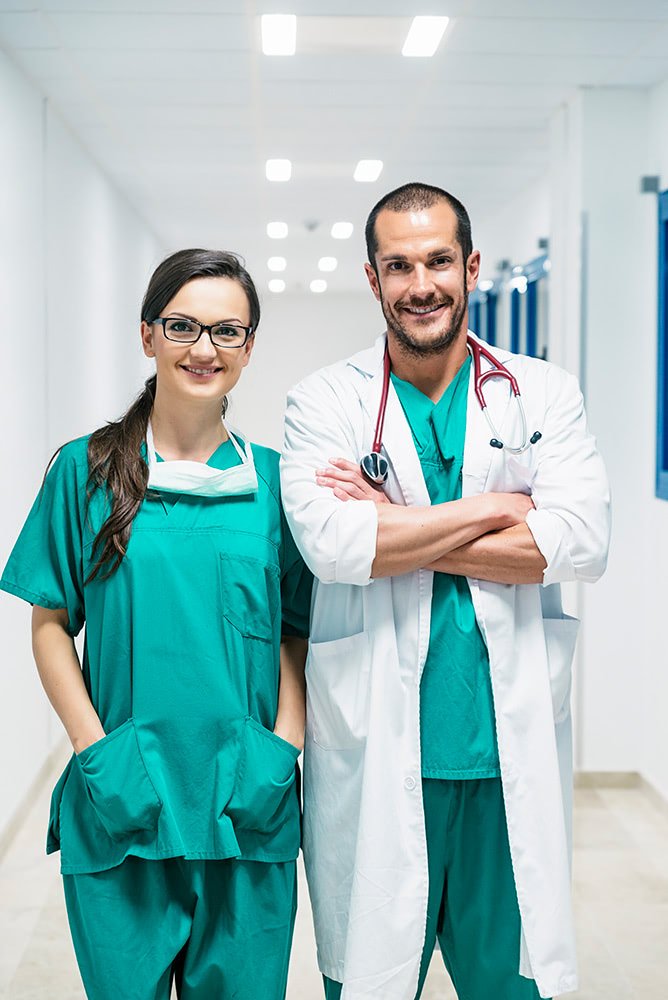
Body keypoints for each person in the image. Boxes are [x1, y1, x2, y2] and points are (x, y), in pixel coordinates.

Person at [280, 183, 611, 1000]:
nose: (419, 283)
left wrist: (400, 527)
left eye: (436, 261)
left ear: (469, 269)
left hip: (506, 759)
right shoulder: (324, 400)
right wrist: (501, 509)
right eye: (398, 265)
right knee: (372, 981)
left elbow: (577, 542)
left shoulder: (543, 392)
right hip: (379, 747)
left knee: (512, 985)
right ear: (372, 279)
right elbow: (334, 546)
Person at [0, 248, 312, 1000]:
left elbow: (294, 632)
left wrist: (284, 752)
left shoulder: (277, 484)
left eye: (226, 332)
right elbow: (50, 624)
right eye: (183, 326)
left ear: (248, 348)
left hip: (247, 800)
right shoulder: (86, 471)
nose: (204, 349)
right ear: (148, 335)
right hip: (124, 800)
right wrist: (94, 752)